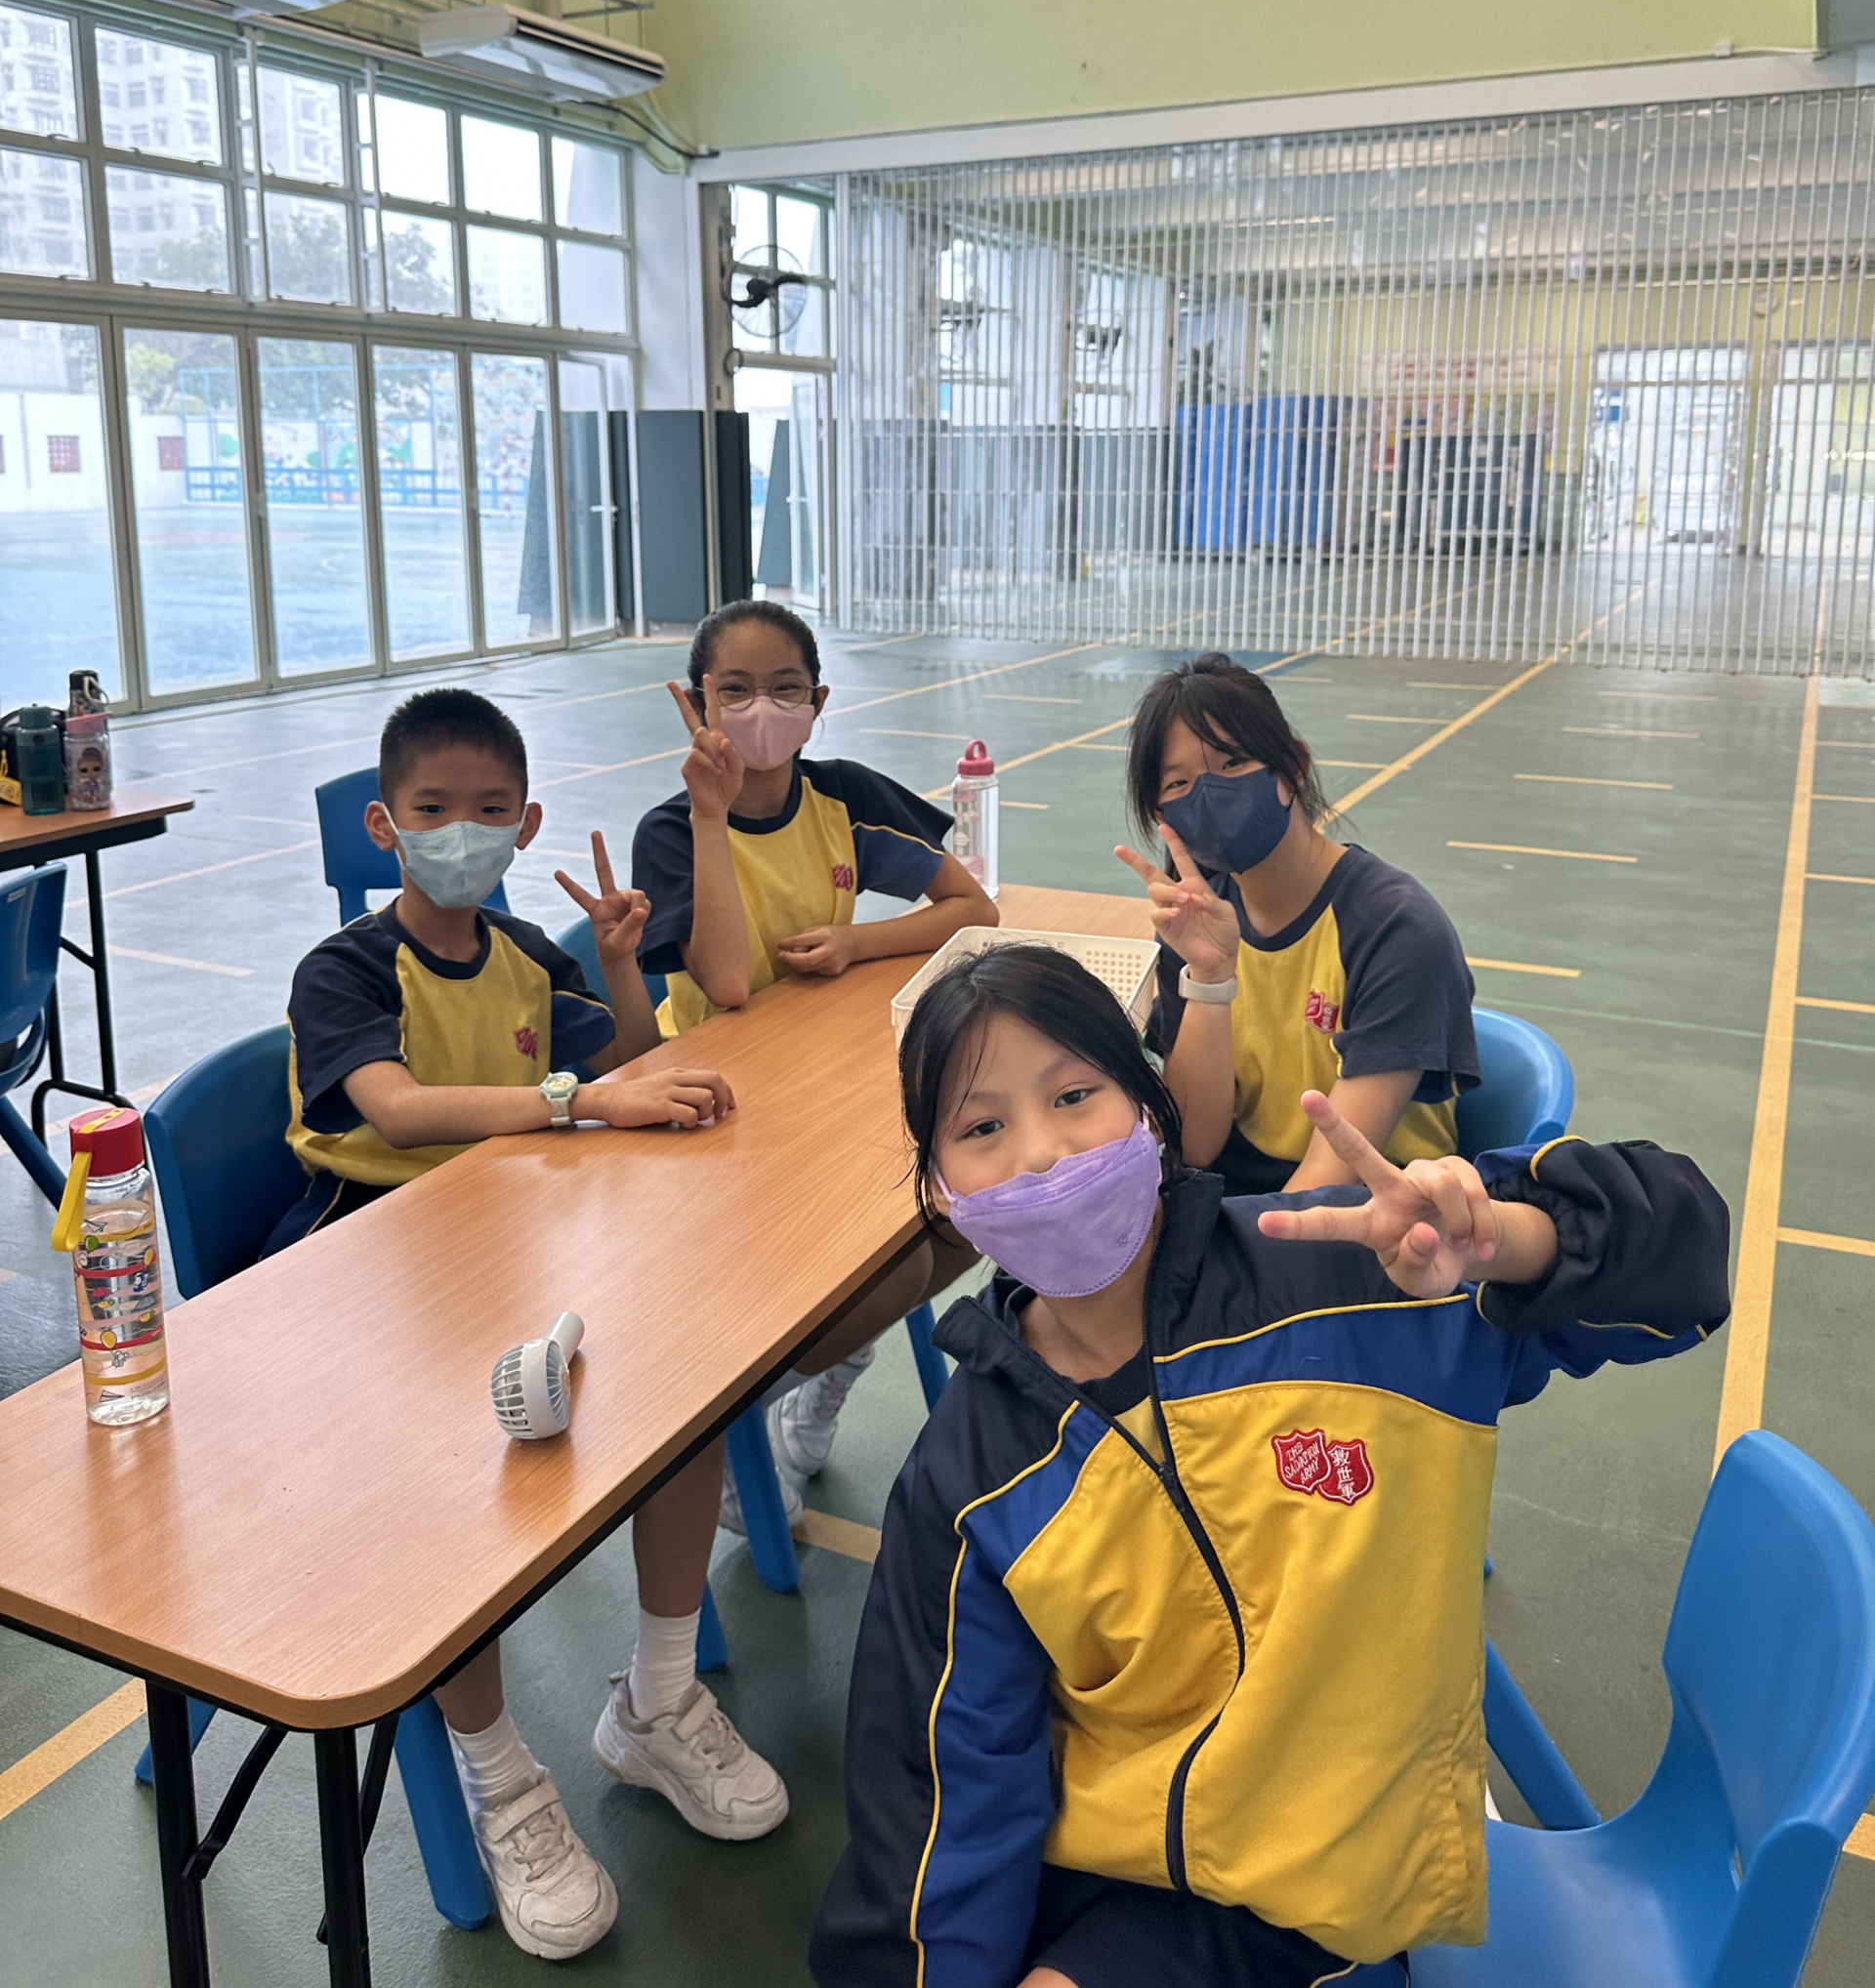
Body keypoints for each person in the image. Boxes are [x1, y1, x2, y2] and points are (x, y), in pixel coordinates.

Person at [811, 944, 1730, 1988]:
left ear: (1150, 1110)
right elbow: (938, 1804)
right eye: (982, 1129)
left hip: (1325, 1897)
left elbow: (1687, 1266)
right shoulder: (970, 1472)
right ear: (942, 1194)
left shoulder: (1358, 1281)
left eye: (1074, 1095)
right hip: (1124, 1888)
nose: (1042, 1155)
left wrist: (1505, 1241)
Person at [277, 687, 788, 1964]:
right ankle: (499, 1773)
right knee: (455, 1491)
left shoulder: (524, 954)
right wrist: (578, 1102)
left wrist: (617, 967)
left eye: (490, 810)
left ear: (527, 822)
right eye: (435, 809)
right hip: (368, 1274)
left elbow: (622, 1067)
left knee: (686, 1378)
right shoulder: (345, 969)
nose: (463, 831)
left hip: (515, 1244)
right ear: (387, 826)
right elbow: (401, 1112)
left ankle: (657, 1699)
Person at [633, 601, 995, 1495]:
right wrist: (711, 816)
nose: (762, 709)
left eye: (785, 689)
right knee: (897, 1264)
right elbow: (727, 984)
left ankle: (821, 1368)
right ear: (698, 702)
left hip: (820, 1074)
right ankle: (737, 1420)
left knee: (971, 1213)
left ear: (818, 701)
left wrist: (854, 942)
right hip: (711, 1104)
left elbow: (971, 908)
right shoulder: (671, 831)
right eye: (736, 691)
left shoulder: (843, 798)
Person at [1115, 651, 1477, 1190]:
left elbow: (1331, 1179)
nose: (1210, 794)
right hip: (1238, 1193)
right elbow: (1196, 1145)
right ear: (1161, 815)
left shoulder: (1397, 930)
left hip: (1365, 1208)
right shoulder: (1195, 925)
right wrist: (1210, 978)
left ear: (1294, 766)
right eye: (1179, 783)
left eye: (1232, 763)